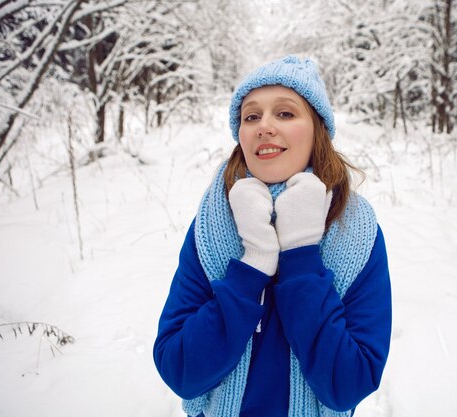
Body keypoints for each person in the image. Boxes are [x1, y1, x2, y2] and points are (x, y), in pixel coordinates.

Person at [153, 55, 392, 417]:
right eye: (252, 116)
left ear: (317, 131)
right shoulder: (211, 227)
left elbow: (349, 384)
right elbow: (180, 370)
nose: (265, 126)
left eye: (285, 113)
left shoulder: (357, 233)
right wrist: (253, 266)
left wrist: (300, 255)